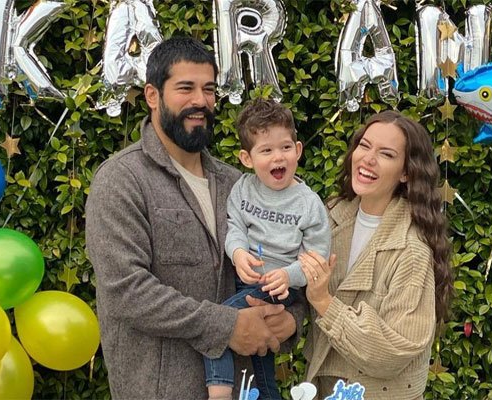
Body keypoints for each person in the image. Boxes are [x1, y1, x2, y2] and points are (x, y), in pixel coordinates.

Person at [85, 37, 306, 400]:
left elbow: (281, 260)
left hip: (245, 389)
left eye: (209, 89)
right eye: (185, 88)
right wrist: (227, 326)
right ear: (153, 95)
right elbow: (126, 290)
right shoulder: (121, 180)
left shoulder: (238, 184)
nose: (200, 101)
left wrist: (290, 318)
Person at [297, 110, 453, 399]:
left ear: (406, 173)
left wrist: (324, 302)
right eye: (364, 146)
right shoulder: (328, 217)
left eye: (386, 154)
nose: (368, 159)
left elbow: (393, 352)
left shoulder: (411, 250)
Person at [203, 98, 331, 400]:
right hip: (245, 280)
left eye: (285, 147)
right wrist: (237, 253)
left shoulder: (308, 203)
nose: (278, 157)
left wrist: (288, 275)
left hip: (279, 288)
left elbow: (317, 257)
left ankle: (219, 391)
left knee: (219, 323)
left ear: (298, 150)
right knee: (262, 366)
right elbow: (235, 228)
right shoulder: (243, 188)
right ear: (247, 158)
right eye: (266, 150)